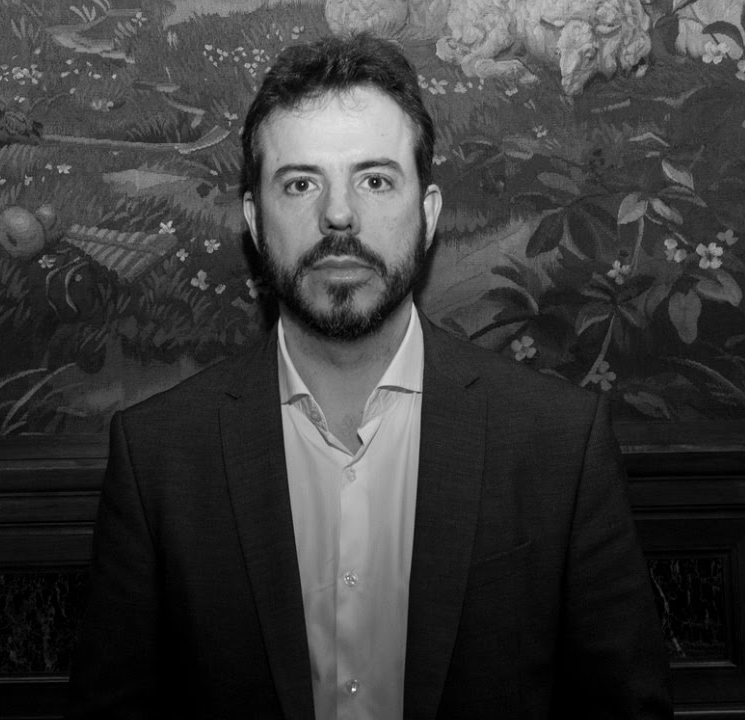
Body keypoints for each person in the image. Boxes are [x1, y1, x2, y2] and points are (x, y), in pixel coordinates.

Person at [67, 33, 672, 720]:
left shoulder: (559, 443)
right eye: (300, 183)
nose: (338, 215)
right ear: (255, 222)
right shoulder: (158, 458)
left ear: (429, 214)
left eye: (375, 180)